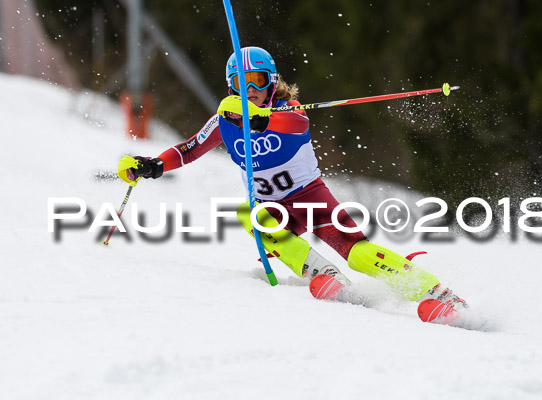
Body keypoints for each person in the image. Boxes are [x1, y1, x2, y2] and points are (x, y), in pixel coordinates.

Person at [117, 46, 466, 320]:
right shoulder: (223, 120)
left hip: (309, 198)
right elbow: (188, 149)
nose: (250, 90)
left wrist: (259, 121)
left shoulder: (289, 110)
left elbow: (293, 127)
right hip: (272, 207)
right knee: (248, 213)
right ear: (230, 87)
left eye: (257, 80)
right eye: (241, 83)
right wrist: (152, 165)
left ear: (272, 81)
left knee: (357, 253)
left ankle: (435, 293)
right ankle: (325, 274)